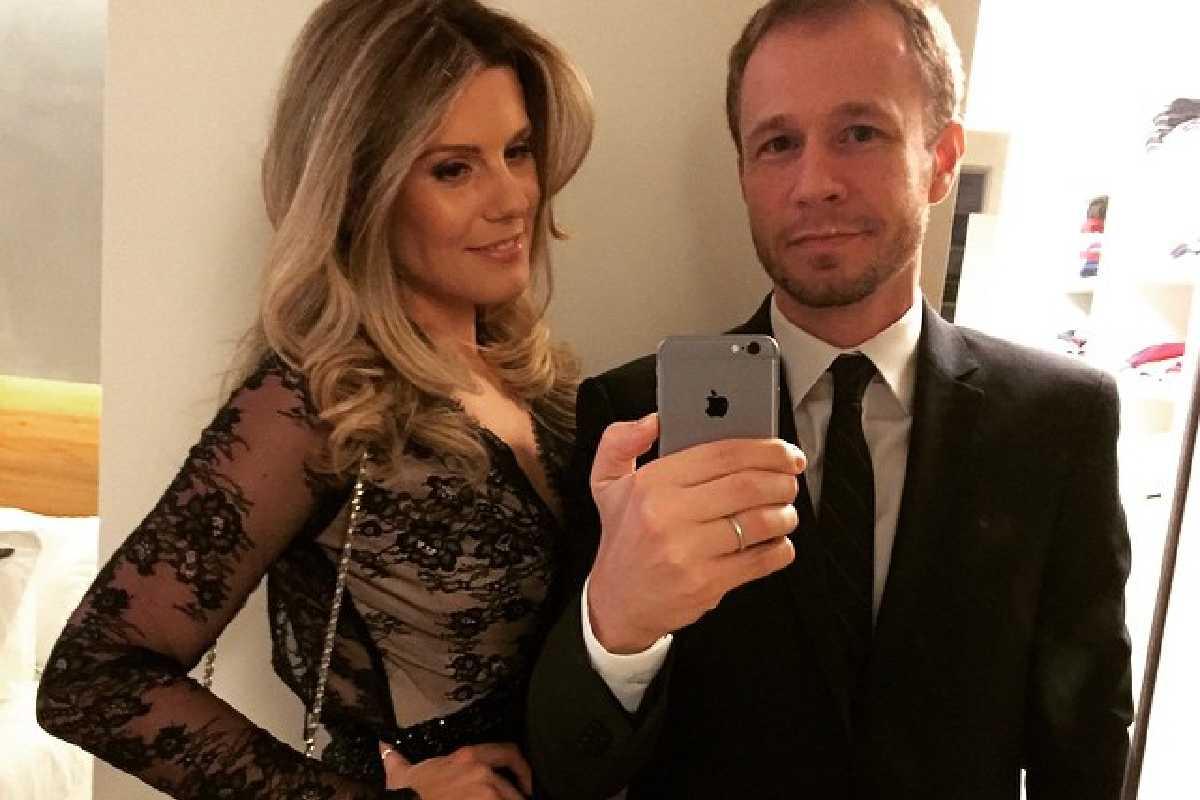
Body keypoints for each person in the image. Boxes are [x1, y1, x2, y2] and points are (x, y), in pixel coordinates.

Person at [526, 1, 1133, 798]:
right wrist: (619, 627)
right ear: (744, 174)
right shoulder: (636, 420)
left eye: (860, 132)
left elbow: (1083, 741)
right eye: (777, 144)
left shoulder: (1058, 421)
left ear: (941, 159)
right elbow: (568, 767)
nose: (814, 185)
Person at [36, 1, 592, 798]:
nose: (513, 199)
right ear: (361, 190)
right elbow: (93, 679)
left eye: (518, 151)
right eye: (453, 168)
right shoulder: (317, 404)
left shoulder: (540, 382)